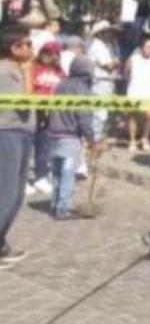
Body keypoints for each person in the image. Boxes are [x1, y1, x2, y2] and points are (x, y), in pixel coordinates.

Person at [47, 55, 101, 219]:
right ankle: (63, 208)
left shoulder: (60, 85)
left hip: (52, 134)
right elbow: (84, 117)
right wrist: (91, 139)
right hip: (70, 137)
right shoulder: (83, 90)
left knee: (56, 173)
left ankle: (55, 204)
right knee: (67, 173)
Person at [0, 25, 35, 270]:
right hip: (8, 134)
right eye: (27, 44)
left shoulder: (14, 69)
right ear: (14, 48)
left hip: (21, 134)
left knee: (17, 195)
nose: (31, 49)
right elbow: (24, 103)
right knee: (6, 195)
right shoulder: (6, 72)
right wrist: (28, 73)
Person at [28, 41, 64, 195]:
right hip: (31, 112)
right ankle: (21, 179)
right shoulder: (32, 68)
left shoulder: (59, 71)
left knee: (44, 147)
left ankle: (40, 177)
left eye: (54, 53)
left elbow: (64, 86)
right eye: (48, 53)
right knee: (26, 147)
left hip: (50, 113)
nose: (51, 56)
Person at [124, 38, 150, 151]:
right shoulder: (133, 58)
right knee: (133, 116)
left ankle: (145, 137)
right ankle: (132, 140)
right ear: (141, 48)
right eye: (148, 47)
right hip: (135, 90)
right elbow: (126, 72)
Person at [87, 21, 120, 144]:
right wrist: (116, 63)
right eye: (107, 31)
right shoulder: (98, 45)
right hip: (100, 81)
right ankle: (94, 138)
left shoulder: (109, 46)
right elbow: (108, 66)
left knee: (102, 111)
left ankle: (97, 135)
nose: (110, 34)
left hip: (107, 81)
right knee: (99, 112)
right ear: (100, 33)